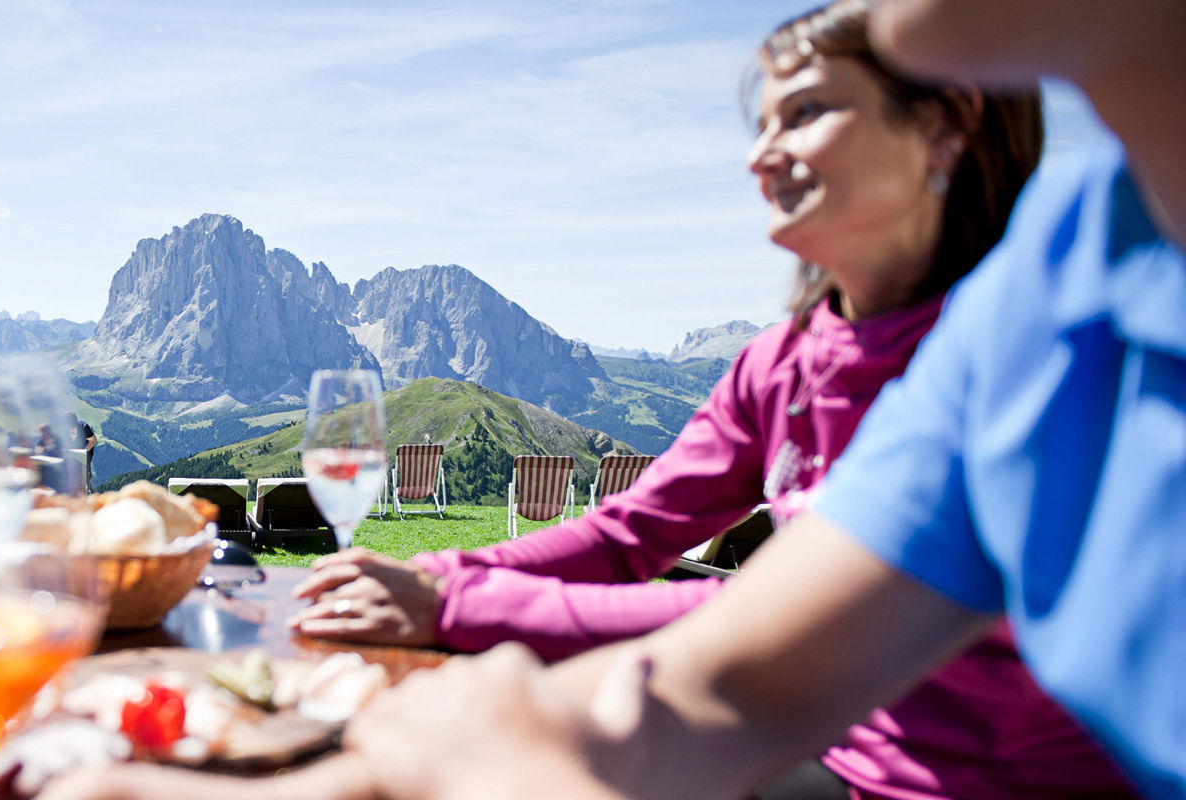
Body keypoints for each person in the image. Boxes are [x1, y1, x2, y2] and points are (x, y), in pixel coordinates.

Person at [280, 0, 1186, 799]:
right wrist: (439, 573)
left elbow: (767, 624)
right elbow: (632, 533)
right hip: (831, 755)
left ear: (947, 126)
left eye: (806, 113)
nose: (761, 157)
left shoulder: (1021, 319)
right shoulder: (788, 358)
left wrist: (455, 605)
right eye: (762, 123)